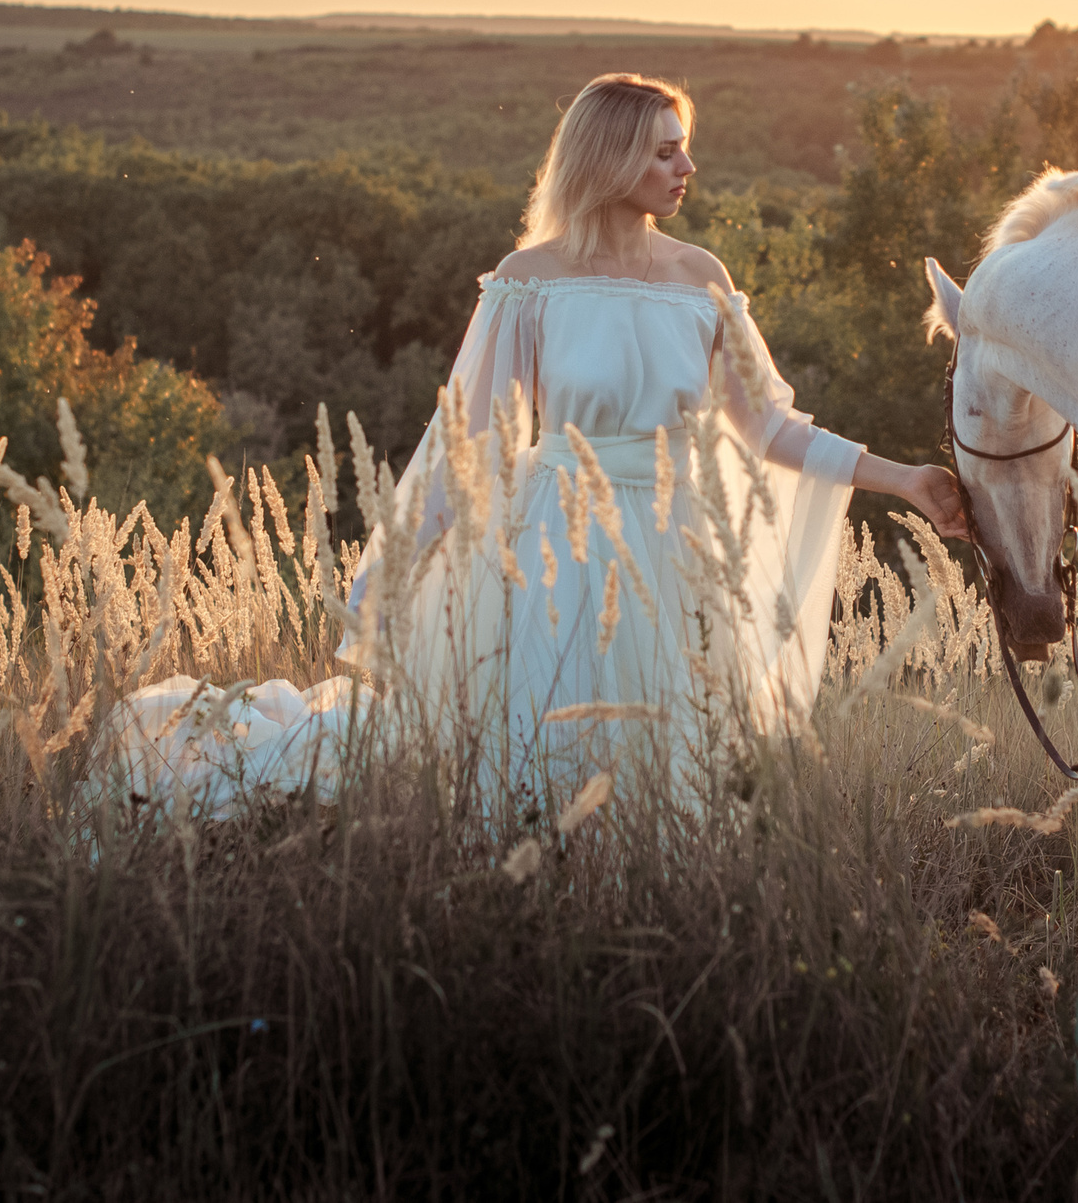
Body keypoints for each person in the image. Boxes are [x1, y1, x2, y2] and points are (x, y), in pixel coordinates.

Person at [106, 72, 967, 810]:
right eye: (665, 151)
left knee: (676, 758)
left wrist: (907, 480)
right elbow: (467, 440)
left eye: (683, 148)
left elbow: (771, 426)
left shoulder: (702, 278)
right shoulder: (529, 282)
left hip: (679, 546)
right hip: (564, 540)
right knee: (548, 749)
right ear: (609, 157)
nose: (687, 168)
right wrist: (396, 568)